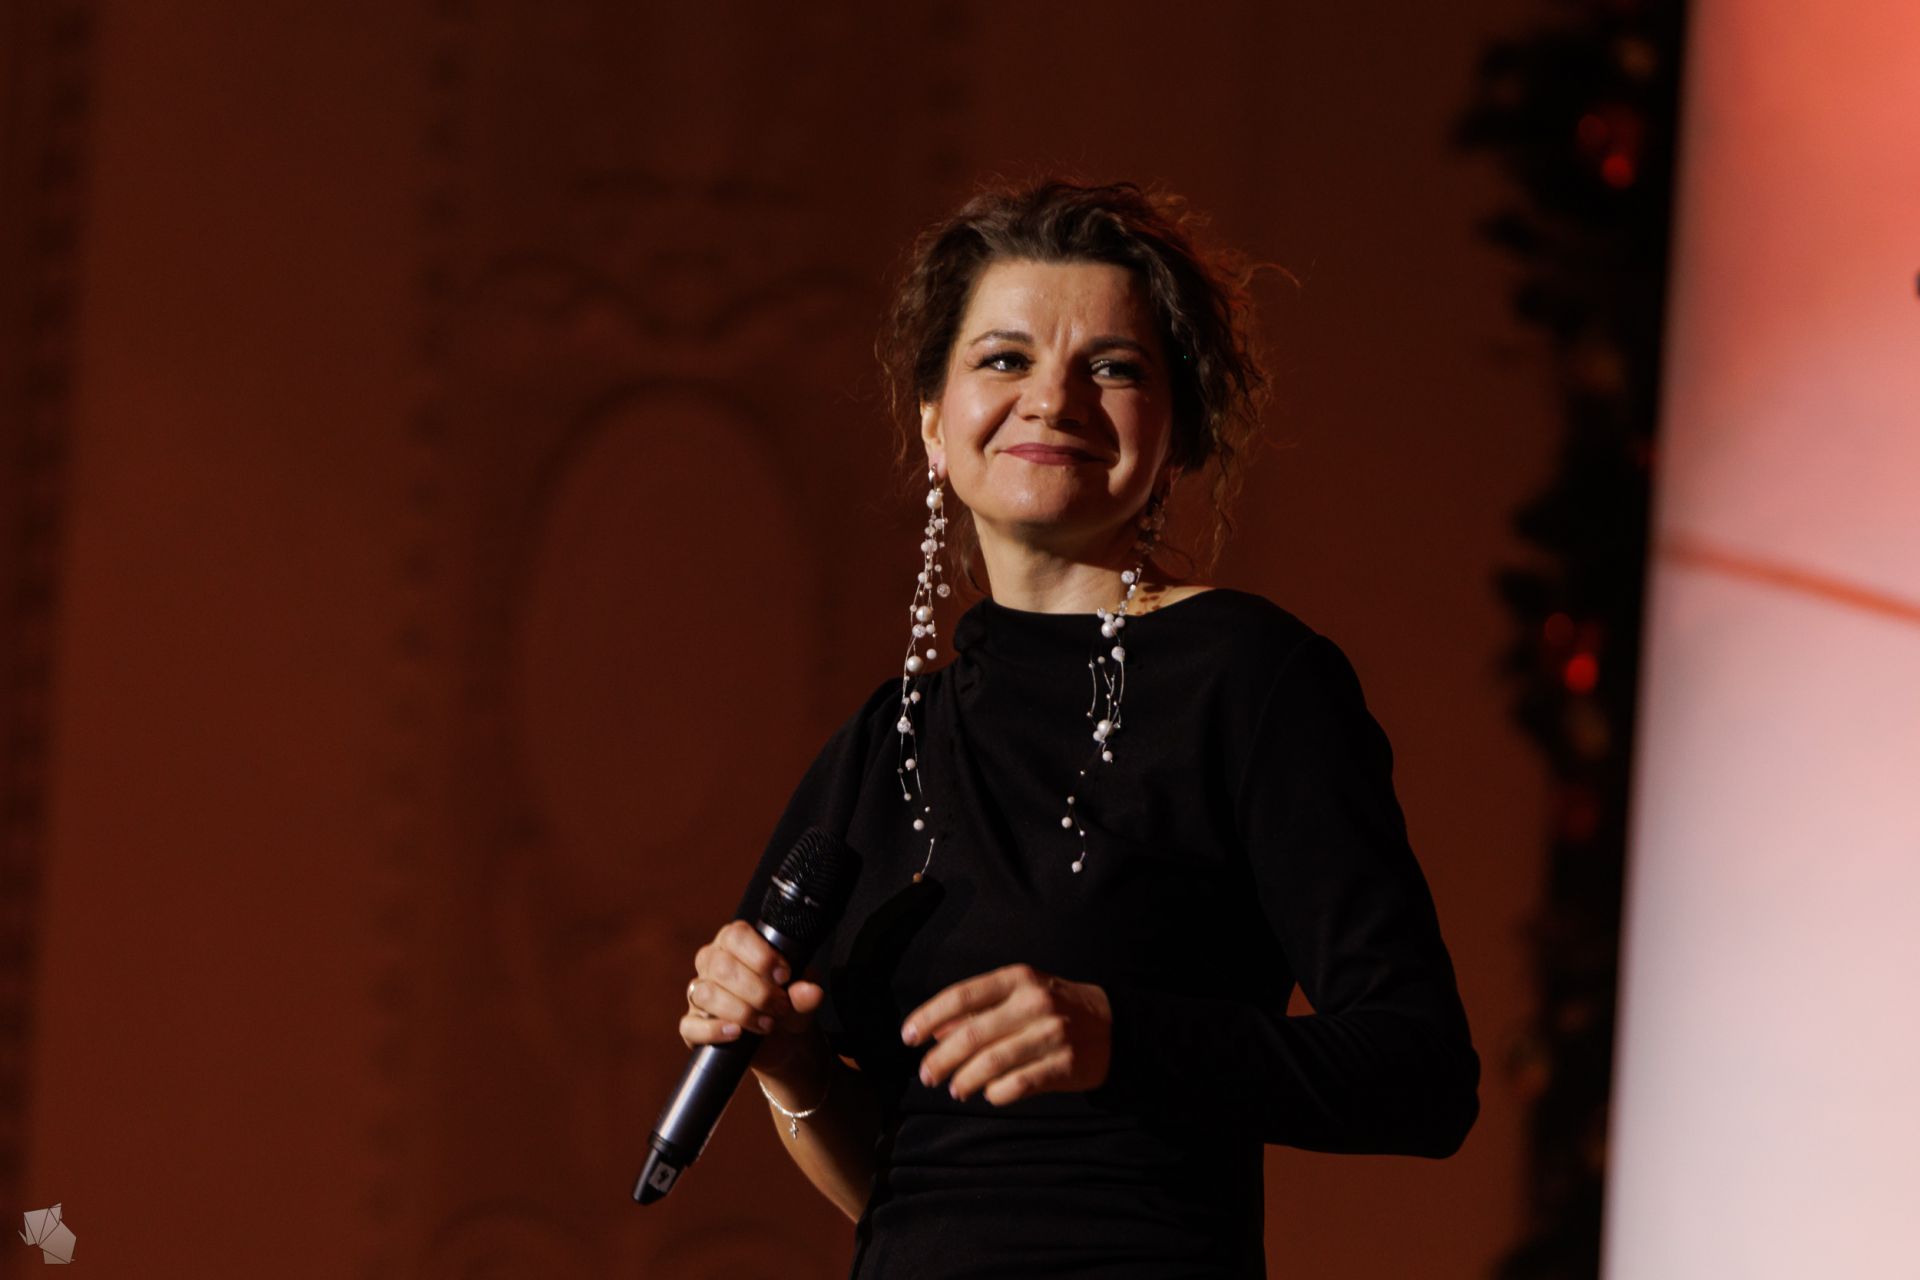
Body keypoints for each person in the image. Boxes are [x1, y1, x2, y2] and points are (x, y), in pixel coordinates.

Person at [677, 180, 1479, 1278]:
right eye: (1004, 359)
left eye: (1112, 367)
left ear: (1177, 430)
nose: (1051, 399)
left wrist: (1121, 1034)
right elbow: (911, 1195)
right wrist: (795, 1066)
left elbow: (1421, 1071)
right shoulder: (884, 743)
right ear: (933, 421)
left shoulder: (1249, 679)